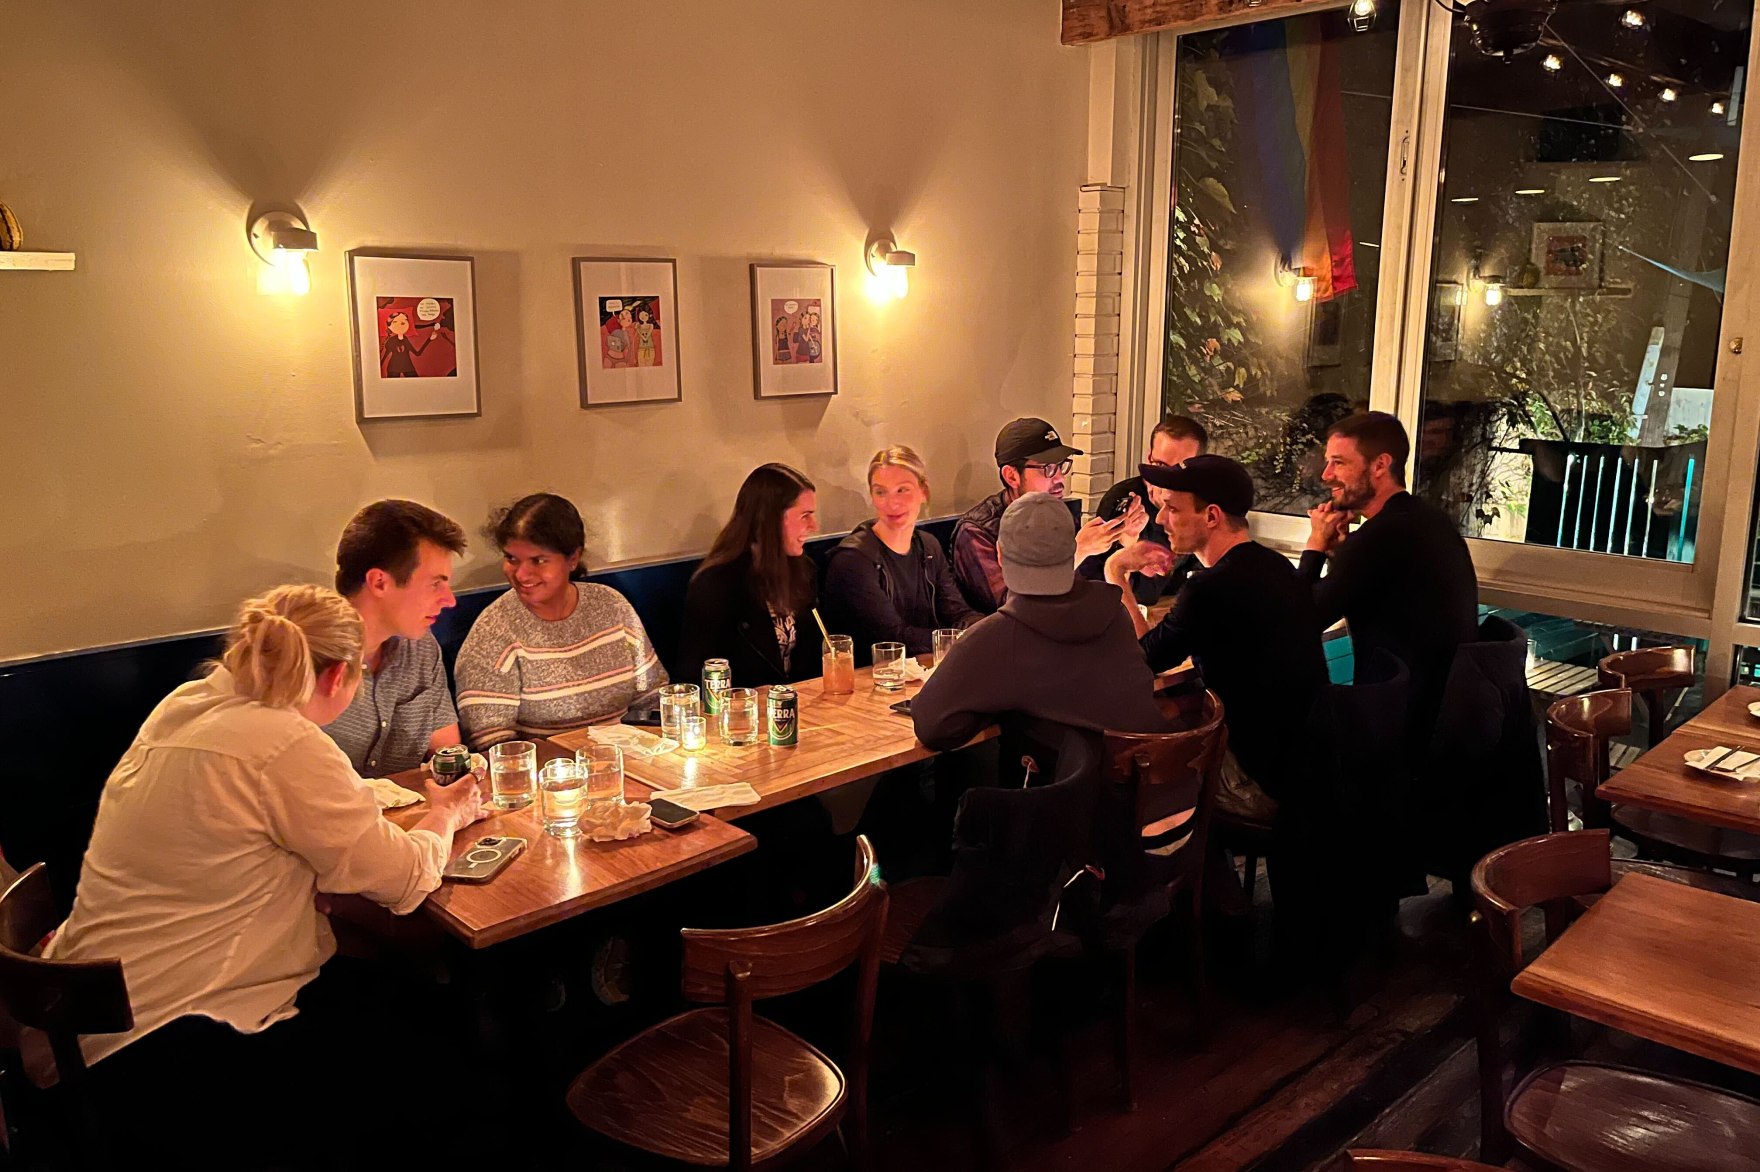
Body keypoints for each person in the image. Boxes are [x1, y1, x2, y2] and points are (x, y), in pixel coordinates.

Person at [45, 585, 485, 1167]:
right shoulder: (285, 743)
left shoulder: (185, 703)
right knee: (451, 1068)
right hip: (166, 1051)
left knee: (398, 1002)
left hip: (75, 1032)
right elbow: (406, 880)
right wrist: (446, 812)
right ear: (337, 679)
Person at [1104, 455, 1328, 820]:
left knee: (1123, 777)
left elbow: (1141, 661)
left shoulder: (1211, 587)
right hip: (1311, 770)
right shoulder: (1276, 566)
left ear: (1211, 516)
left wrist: (1116, 573)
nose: (1160, 520)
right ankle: (1208, 875)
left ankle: (1174, 870)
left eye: (1172, 509)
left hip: (1260, 784)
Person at [916, 491, 1170, 750]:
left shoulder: (1000, 635)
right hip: (1161, 775)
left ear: (1000, 554)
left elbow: (931, 726)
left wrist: (998, 707)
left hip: (1078, 787)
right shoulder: (1116, 614)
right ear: (1074, 548)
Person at [1300, 411, 1478, 746]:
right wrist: (1341, 555)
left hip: (1397, 726)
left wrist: (1315, 546)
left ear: (1380, 465)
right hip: (1446, 716)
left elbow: (1300, 621)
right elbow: (1380, 584)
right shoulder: (1427, 520)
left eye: (1338, 463)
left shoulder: (1380, 537)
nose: (1326, 476)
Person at [455, 493, 666, 749]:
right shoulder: (494, 629)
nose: (521, 574)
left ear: (573, 559)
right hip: (547, 776)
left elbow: (652, 697)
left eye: (538, 560)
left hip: (629, 761)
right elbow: (490, 741)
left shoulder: (611, 606)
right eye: (511, 558)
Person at [322, 499, 468, 777]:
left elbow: (449, 760)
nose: (449, 600)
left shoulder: (421, 648)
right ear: (379, 583)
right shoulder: (305, 658)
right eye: (435, 584)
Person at [952, 417, 1131, 614]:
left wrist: (1125, 542)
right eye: (1048, 468)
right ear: (1011, 476)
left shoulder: (1058, 517)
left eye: (1061, 466)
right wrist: (1077, 551)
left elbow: (1094, 591)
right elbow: (1009, 608)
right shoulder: (976, 532)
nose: (1060, 477)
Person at [824, 445, 980, 662]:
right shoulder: (853, 560)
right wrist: (958, 640)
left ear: (923, 492)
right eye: (881, 492)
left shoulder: (928, 546)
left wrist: (984, 630)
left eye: (902, 490)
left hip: (923, 672)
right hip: (873, 681)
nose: (892, 503)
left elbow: (958, 612)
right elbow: (894, 637)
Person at [679, 463, 824, 687]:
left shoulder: (804, 570)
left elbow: (813, 660)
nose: (814, 526)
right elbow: (695, 679)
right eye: (805, 516)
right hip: (746, 714)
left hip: (802, 707)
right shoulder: (715, 585)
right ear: (772, 519)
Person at [1078, 414, 1208, 603]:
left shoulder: (1201, 502)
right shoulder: (1125, 501)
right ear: (1149, 459)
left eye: (1179, 470)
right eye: (1160, 466)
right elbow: (1133, 594)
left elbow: (1199, 578)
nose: (1167, 478)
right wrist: (1129, 543)